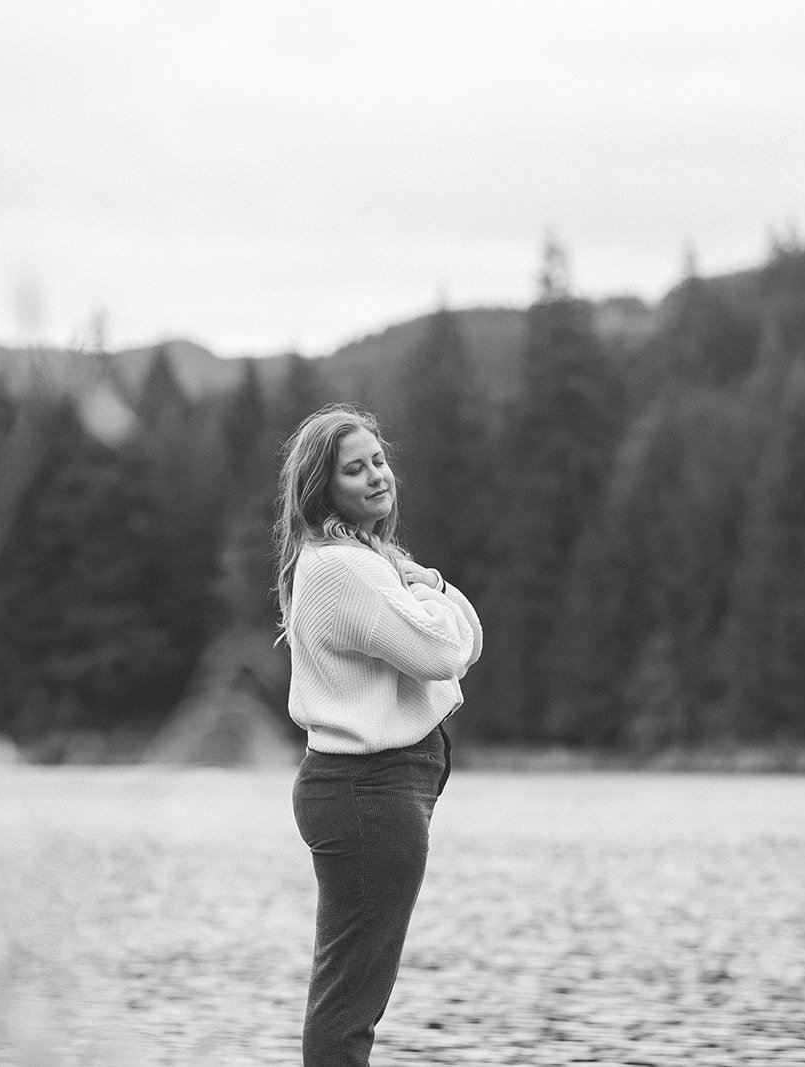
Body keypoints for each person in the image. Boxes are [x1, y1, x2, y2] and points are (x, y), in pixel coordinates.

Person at [273, 402, 483, 1066]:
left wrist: (432, 586)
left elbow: (465, 642)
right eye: (354, 469)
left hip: (374, 790)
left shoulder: (367, 559)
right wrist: (432, 592)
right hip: (368, 792)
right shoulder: (345, 568)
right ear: (321, 488)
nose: (376, 476)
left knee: (354, 989)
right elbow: (442, 652)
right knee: (351, 998)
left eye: (379, 460)